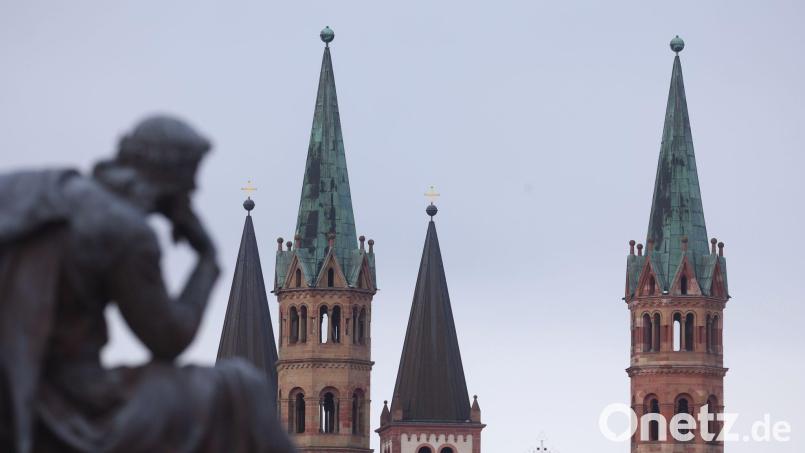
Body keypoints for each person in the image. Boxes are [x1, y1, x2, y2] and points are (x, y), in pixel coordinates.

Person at [0, 116, 296, 453]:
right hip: (73, 402)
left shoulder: (39, 189)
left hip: (23, 380)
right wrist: (206, 259)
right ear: (168, 180)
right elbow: (168, 340)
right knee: (241, 389)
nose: (193, 192)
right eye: (189, 182)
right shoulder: (127, 232)